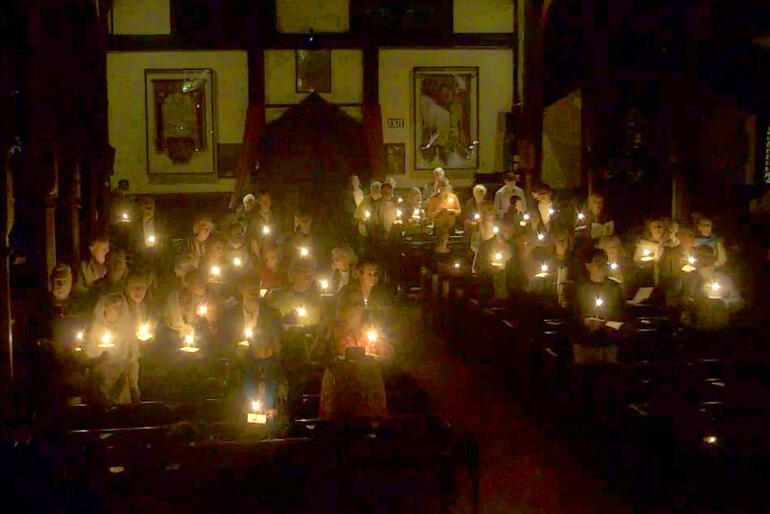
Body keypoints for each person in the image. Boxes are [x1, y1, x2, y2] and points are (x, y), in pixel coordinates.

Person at [84, 292, 140, 404]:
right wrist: (101, 352)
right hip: (99, 381)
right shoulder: (95, 328)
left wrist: (134, 385)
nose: (119, 309)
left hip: (120, 381)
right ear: (105, 307)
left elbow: (133, 359)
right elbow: (89, 353)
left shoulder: (127, 329)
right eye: (115, 305)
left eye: (121, 305)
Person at [574, 249, 626, 326]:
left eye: (604, 262)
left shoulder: (614, 287)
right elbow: (576, 313)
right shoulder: (580, 289)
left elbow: (620, 312)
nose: (601, 265)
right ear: (588, 266)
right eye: (597, 261)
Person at [464, 184, 488, 254]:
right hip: (471, 229)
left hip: (483, 230)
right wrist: (472, 222)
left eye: (481, 194)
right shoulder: (469, 204)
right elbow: (465, 217)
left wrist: (483, 220)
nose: (479, 196)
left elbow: (489, 216)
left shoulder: (486, 205)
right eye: (477, 194)